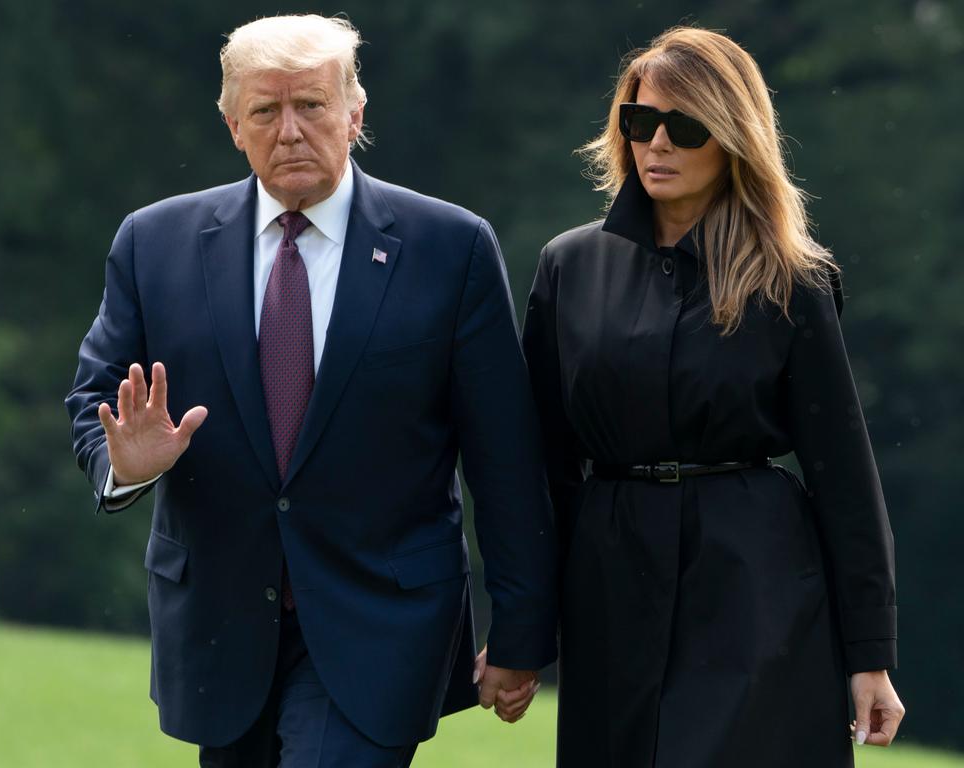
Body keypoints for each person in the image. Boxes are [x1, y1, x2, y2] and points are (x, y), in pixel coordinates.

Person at [65, 14, 554, 768]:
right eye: (265, 110)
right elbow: (95, 404)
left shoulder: (450, 249)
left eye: (312, 106)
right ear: (233, 125)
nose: (289, 131)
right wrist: (128, 465)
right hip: (220, 630)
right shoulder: (152, 243)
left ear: (355, 114)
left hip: (382, 625)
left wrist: (521, 630)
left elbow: (505, 458)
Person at [522, 27, 904, 768]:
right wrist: (522, 628)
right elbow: (542, 469)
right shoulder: (568, 267)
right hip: (611, 579)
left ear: (732, 137)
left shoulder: (792, 279)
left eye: (684, 126)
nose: (657, 143)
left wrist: (871, 654)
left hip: (755, 582)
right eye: (640, 122)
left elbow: (844, 476)